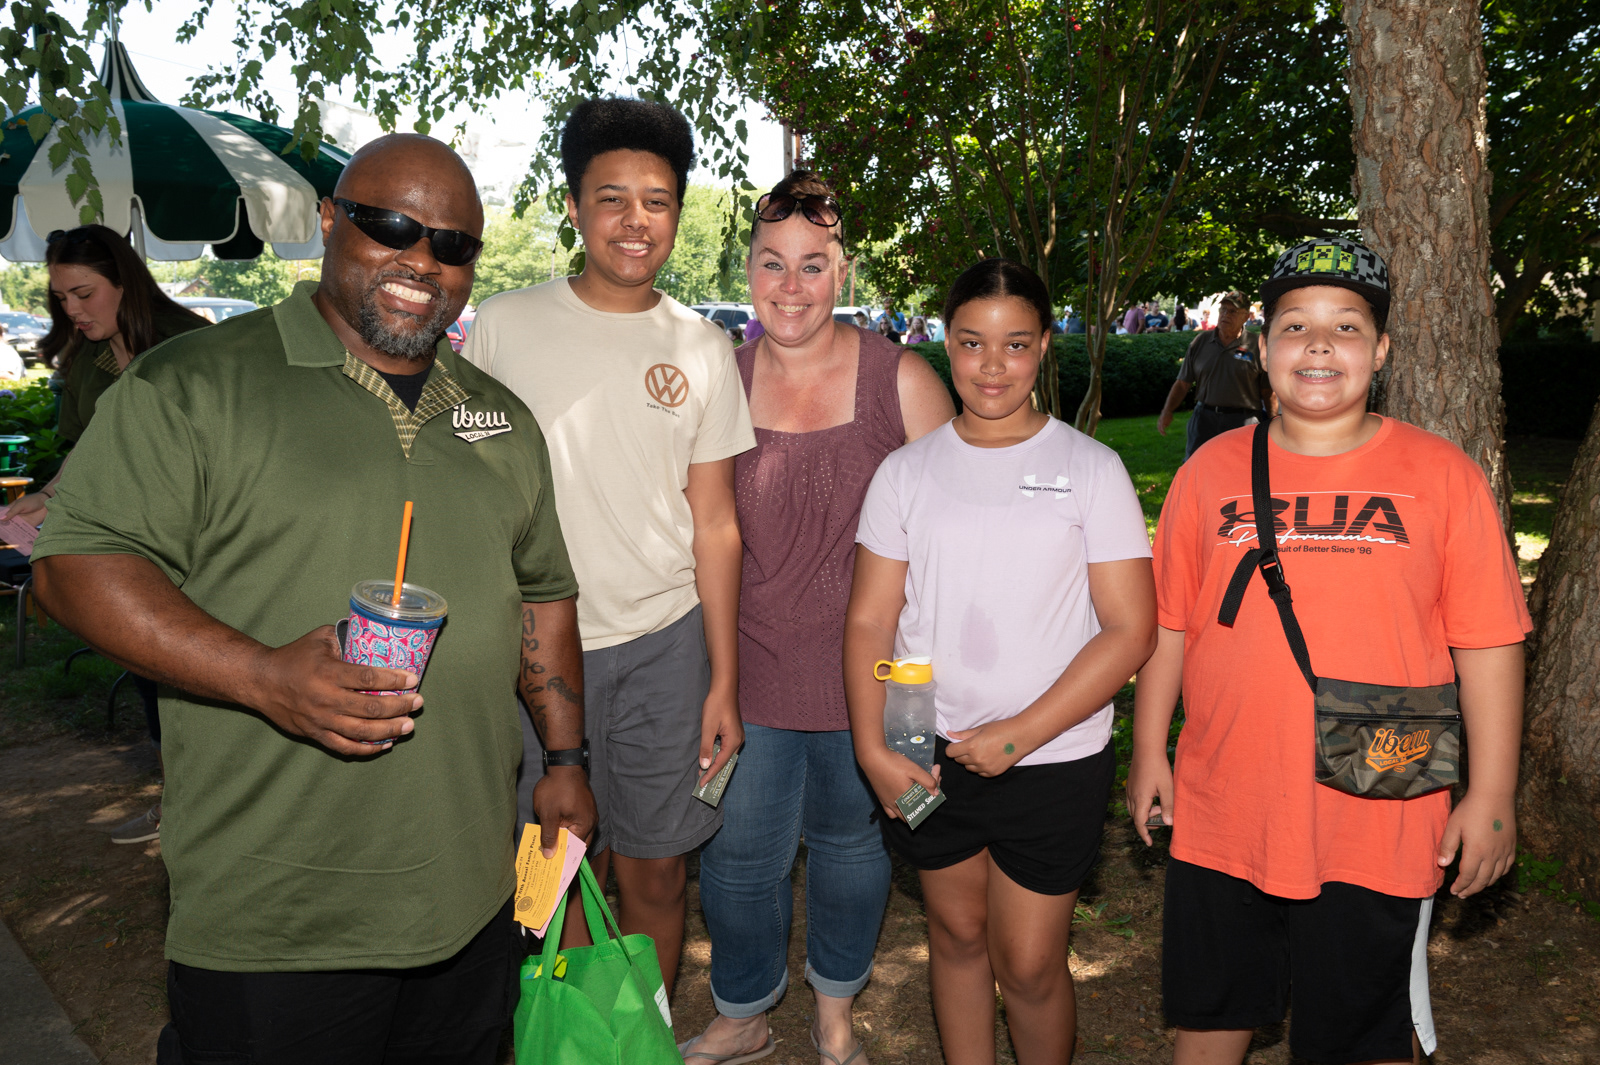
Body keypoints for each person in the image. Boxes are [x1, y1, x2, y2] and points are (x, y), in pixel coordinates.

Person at [30, 134, 595, 1064]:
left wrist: (567, 757)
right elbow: (75, 566)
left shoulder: (500, 419)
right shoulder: (195, 384)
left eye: (452, 244)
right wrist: (262, 675)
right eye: (391, 227)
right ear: (330, 222)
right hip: (276, 921)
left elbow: (542, 594)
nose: (422, 260)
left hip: (469, 902)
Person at [1128, 237, 1529, 1065]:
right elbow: (1169, 624)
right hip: (1226, 798)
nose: (1319, 345)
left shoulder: (1442, 474)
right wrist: (1147, 750)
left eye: (1346, 326)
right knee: (1211, 1012)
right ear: (1262, 345)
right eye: (1295, 325)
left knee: (1361, 1026)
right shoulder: (1210, 470)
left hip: (1380, 801)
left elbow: (1489, 640)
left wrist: (1492, 792)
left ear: (1381, 350)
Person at [463, 97, 753, 1002]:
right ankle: (570, 1032)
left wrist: (723, 679)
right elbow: (467, 485)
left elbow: (716, 523)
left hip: (664, 643)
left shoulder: (703, 346)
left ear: (678, 211)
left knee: (656, 870)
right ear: (575, 207)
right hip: (532, 649)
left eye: (657, 201)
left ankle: (639, 1036)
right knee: (547, 869)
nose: (636, 221)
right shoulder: (503, 326)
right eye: (612, 198)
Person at [845, 258, 1156, 1065]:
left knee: (1028, 962)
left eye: (1015, 344)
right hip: (927, 746)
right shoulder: (906, 472)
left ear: (1045, 345)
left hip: (1053, 755)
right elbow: (871, 618)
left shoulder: (1091, 469)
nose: (992, 365)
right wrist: (874, 745)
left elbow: (1130, 630)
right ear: (944, 342)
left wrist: (1019, 734)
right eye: (972, 341)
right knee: (955, 933)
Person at [682, 171, 954, 1065]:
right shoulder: (719, 378)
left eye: (811, 265)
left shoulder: (902, 379)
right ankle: (744, 1010)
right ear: (748, 271)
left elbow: (949, 544)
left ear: (842, 272)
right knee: (736, 857)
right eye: (772, 263)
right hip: (748, 670)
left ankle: (835, 1010)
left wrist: (923, 697)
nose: (790, 285)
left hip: (871, 680)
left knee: (852, 849)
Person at [6, 225, 210, 846]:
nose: (71, 309)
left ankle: (206, 810)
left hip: (197, 542)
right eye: (61, 297)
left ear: (125, 284)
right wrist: (47, 496)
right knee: (153, 667)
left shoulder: (193, 345)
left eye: (83, 293)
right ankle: (178, 805)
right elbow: (91, 448)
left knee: (201, 673)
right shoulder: (90, 359)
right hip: (129, 544)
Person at [1156, 291, 1272, 459]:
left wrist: (1273, 423)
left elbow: (1268, 392)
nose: (1226, 315)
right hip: (1204, 420)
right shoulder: (1201, 342)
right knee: (1197, 467)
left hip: (1243, 422)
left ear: (1246, 317)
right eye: (1223, 309)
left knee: (1242, 470)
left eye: (1233, 311)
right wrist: (1167, 410)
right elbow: (1182, 383)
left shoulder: (1257, 346)